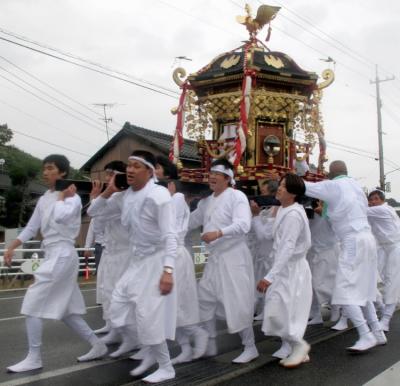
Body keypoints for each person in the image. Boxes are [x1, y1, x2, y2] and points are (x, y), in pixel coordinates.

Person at [4, 154, 107, 373]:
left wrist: (61, 197)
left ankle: (34, 357)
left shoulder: (72, 197)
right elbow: (32, 227)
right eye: (44, 168)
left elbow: (60, 217)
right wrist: (12, 247)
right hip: (52, 254)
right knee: (68, 311)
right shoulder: (44, 199)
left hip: (62, 254)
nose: (45, 172)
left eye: (50, 168)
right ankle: (97, 344)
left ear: (62, 172)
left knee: (32, 304)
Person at [102, 150, 178, 383]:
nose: (130, 170)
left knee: (148, 315)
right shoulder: (125, 196)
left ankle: (166, 366)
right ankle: (147, 348)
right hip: (135, 263)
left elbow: (170, 236)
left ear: (149, 171)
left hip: (155, 263)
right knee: (117, 308)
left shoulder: (159, 195)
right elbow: (94, 213)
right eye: (129, 165)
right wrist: (106, 193)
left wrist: (168, 271)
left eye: (136, 166)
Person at [304, 160, 386, 352]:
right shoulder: (356, 186)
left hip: (351, 241)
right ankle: (377, 332)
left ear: (331, 173)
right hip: (366, 239)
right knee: (364, 290)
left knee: (344, 291)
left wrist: (285, 180)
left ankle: (365, 335)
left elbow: (305, 186)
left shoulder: (334, 185)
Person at [189, 158, 259, 364]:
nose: (211, 177)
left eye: (216, 174)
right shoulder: (206, 201)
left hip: (234, 256)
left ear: (227, 178)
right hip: (216, 259)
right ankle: (209, 342)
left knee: (237, 302)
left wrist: (218, 233)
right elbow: (190, 221)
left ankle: (250, 347)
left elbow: (244, 224)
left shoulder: (237, 196)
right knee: (204, 298)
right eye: (210, 173)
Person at [153, 156, 209, 364]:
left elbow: (169, 230)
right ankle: (184, 347)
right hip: (166, 254)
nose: (153, 172)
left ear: (167, 175)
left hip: (174, 254)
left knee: (179, 303)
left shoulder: (174, 198)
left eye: (157, 168)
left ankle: (197, 333)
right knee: (170, 305)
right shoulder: (166, 196)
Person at [257, 173, 312, 368]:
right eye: (279, 185)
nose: (278, 188)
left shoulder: (294, 215)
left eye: (283, 186)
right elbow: (274, 237)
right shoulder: (283, 209)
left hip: (290, 268)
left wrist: (269, 277)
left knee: (277, 311)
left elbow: (287, 247)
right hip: (283, 267)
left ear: (294, 193)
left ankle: (299, 345)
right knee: (284, 311)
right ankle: (297, 349)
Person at [86, 161, 131, 342]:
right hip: (109, 250)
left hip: (126, 252)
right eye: (107, 174)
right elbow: (96, 222)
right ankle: (112, 325)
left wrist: (99, 198)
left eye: (111, 174)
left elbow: (95, 212)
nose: (107, 179)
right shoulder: (111, 198)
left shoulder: (123, 197)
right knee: (106, 289)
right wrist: (98, 198)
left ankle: (128, 334)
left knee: (122, 294)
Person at [367, 189, 400, 332]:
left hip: (395, 247)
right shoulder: (376, 212)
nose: (373, 202)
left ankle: (386, 319)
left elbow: (360, 211)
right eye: (371, 199)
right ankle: (380, 307)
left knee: (392, 282)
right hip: (384, 248)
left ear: (382, 200)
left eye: (375, 199)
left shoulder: (383, 210)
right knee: (375, 277)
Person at [307, 200, 340, 325]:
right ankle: (319, 313)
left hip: (327, 250)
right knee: (314, 285)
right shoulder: (308, 209)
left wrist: (325, 213)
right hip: (313, 251)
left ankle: (332, 310)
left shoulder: (330, 208)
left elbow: (337, 226)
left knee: (323, 284)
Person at [250, 180, 278, 320]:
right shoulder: (267, 209)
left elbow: (264, 235)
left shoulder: (276, 210)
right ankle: (260, 309)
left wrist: (255, 216)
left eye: (263, 192)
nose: (261, 195)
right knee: (259, 281)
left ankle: (268, 312)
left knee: (269, 283)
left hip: (271, 254)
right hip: (262, 253)